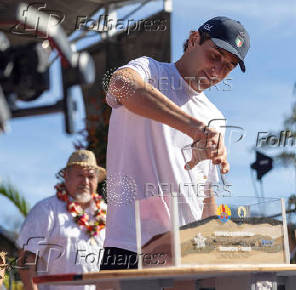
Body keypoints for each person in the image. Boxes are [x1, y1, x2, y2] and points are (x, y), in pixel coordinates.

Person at [101, 16, 250, 270]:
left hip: (187, 255)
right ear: (193, 40)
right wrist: (194, 128)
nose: (217, 71)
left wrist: (214, 251)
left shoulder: (216, 118)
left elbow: (205, 193)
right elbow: (120, 85)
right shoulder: (151, 71)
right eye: (214, 56)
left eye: (228, 66)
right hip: (130, 246)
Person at [17, 150, 106, 290]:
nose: (86, 182)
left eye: (90, 176)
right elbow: (26, 258)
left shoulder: (107, 213)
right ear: (66, 176)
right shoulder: (46, 210)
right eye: (80, 175)